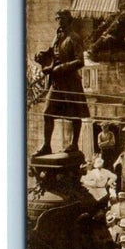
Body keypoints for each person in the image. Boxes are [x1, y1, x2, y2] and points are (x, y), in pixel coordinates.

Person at [34, 10, 89, 156]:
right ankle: (47, 145)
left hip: (70, 82)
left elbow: (80, 61)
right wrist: (41, 55)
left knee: (75, 115)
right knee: (47, 113)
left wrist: (62, 67)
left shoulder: (74, 38)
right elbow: (52, 54)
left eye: (61, 18)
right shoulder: (57, 37)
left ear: (68, 20)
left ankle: (74, 144)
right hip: (56, 82)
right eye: (57, 18)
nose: (58, 21)